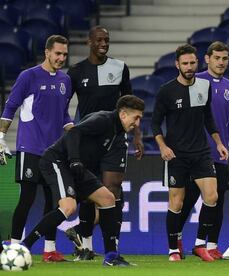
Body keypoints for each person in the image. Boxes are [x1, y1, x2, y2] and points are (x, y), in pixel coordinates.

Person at [19, 95, 144, 266]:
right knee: (68, 207)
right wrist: (74, 159)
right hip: (58, 161)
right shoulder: (103, 120)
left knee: (108, 199)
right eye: (135, 118)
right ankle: (23, 246)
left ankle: (111, 257)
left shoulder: (118, 132)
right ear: (123, 115)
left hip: (78, 168)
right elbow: (74, 132)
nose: (137, 123)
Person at [64, 25, 144, 260]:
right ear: (89, 42)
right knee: (91, 192)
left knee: (113, 190)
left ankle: (111, 248)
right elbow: (62, 104)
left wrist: (137, 135)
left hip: (116, 139)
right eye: (99, 39)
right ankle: (85, 246)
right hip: (89, 140)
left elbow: (132, 104)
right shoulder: (76, 71)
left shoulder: (120, 68)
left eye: (107, 40)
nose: (104, 43)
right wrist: (68, 126)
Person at [151, 44, 229, 262]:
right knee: (176, 203)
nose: (189, 67)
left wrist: (219, 142)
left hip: (201, 152)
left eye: (192, 63)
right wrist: (162, 146)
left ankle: (199, 244)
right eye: (184, 63)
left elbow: (208, 118)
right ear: (177, 64)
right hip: (177, 155)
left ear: (198, 63)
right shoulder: (166, 91)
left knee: (212, 196)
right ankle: (173, 250)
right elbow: (155, 124)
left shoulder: (204, 86)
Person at [0, 35, 73, 262]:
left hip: (54, 152)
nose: (61, 58)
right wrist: (0, 137)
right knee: (27, 199)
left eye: (64, 54)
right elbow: (10, 106)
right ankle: (13, 247)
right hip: (29, 147)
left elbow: (63, 114)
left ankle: (49, 250)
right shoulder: (28, 76)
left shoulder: (65, 81)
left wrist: (74, 133)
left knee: (53, 201)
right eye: (57, 53)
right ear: (47, 52)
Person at [176, 41, 229, 260]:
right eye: (216, 58)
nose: (221, 62)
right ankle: (176, 238)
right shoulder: (194, 82)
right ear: (207, 59)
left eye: (225, 58)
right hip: (195, 152)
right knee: (188, 200)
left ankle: (211, 245)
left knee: (218, 201)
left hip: (221, 153)